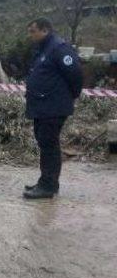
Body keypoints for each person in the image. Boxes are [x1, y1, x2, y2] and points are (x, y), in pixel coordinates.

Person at [23, 17, 83, 199]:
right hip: (43, 106)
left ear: (45, 30)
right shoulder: (43, 49)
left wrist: (68, 97)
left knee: (49, 145)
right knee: (45, 143)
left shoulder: (59, 48)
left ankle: (48, 187)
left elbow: (76, 75)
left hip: (53, 107)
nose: (30, 35)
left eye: (33, 31)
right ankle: (46, 182)